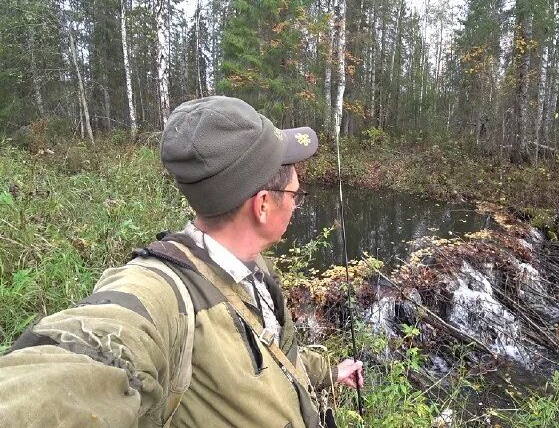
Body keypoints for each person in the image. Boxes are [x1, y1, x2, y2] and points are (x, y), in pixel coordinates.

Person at [0, 96, 363, 428]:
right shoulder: (160, 292)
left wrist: (330, 370)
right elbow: (78, 358)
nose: (297, 205)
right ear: (263, 204)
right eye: (295, 195)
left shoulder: (255, 266)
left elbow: (277, 349)